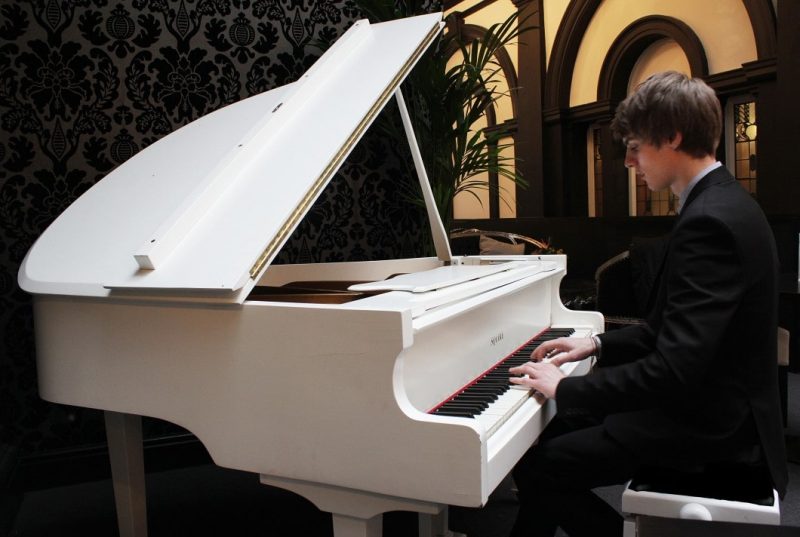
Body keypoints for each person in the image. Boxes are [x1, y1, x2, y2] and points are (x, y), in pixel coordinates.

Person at [507, 71, 788, 536]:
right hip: (718, 404)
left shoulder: (709, 223)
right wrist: (595, 346)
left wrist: (567, 388)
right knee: (547, 440)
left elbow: (674, 370)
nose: (628, 162)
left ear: (673, 137)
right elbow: (670, 330)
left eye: (635, 147)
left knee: (545, 465)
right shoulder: (725, 202)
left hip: (712, 428)